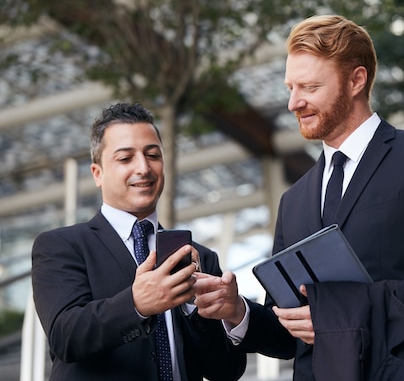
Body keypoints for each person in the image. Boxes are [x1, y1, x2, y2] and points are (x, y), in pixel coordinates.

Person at [193, 15, 404, 380]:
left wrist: (345, 312)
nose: (293, 103)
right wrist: (236, 310)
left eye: (308, 87)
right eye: (290, 87)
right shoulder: (294, 200)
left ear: (356, 80)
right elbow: (288, 333)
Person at [31, 102, 246, 381]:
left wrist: (210, 312)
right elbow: (65, 336)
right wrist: (136, 304)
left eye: (153, 155)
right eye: (125, 158)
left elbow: (225, 371)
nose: (143, 168)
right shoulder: (61, 246)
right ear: (97, 174)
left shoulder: (199, 258)